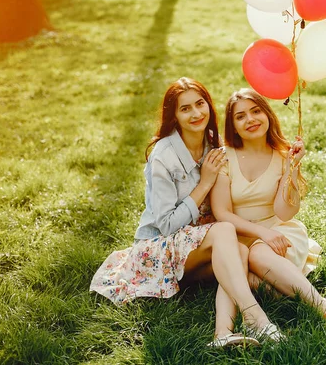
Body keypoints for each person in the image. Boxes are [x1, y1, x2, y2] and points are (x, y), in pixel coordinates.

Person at [90, 78, 282, 347]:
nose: (196, 114)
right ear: (174, 117)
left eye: (200, 104)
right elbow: (167, 226)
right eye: (185, 109)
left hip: (200, 246)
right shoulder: (163, 156)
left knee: (241, 253)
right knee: (226, 232)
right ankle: (256, 319)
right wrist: (204, 183)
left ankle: (222, 334)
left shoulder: (213, 144)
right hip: (158, 249)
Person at [211, 88, 326, 338]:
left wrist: (291, 169)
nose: (250, 119)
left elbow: (284, 212)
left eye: (256, 111)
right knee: (248, 278)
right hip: (240, 236)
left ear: (267, 114)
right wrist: (259, 232)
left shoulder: (283, 154)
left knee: (259, 254)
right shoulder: (224, 158)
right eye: (240, 116)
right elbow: (222, 213)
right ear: (233, 125)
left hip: (278, 232)